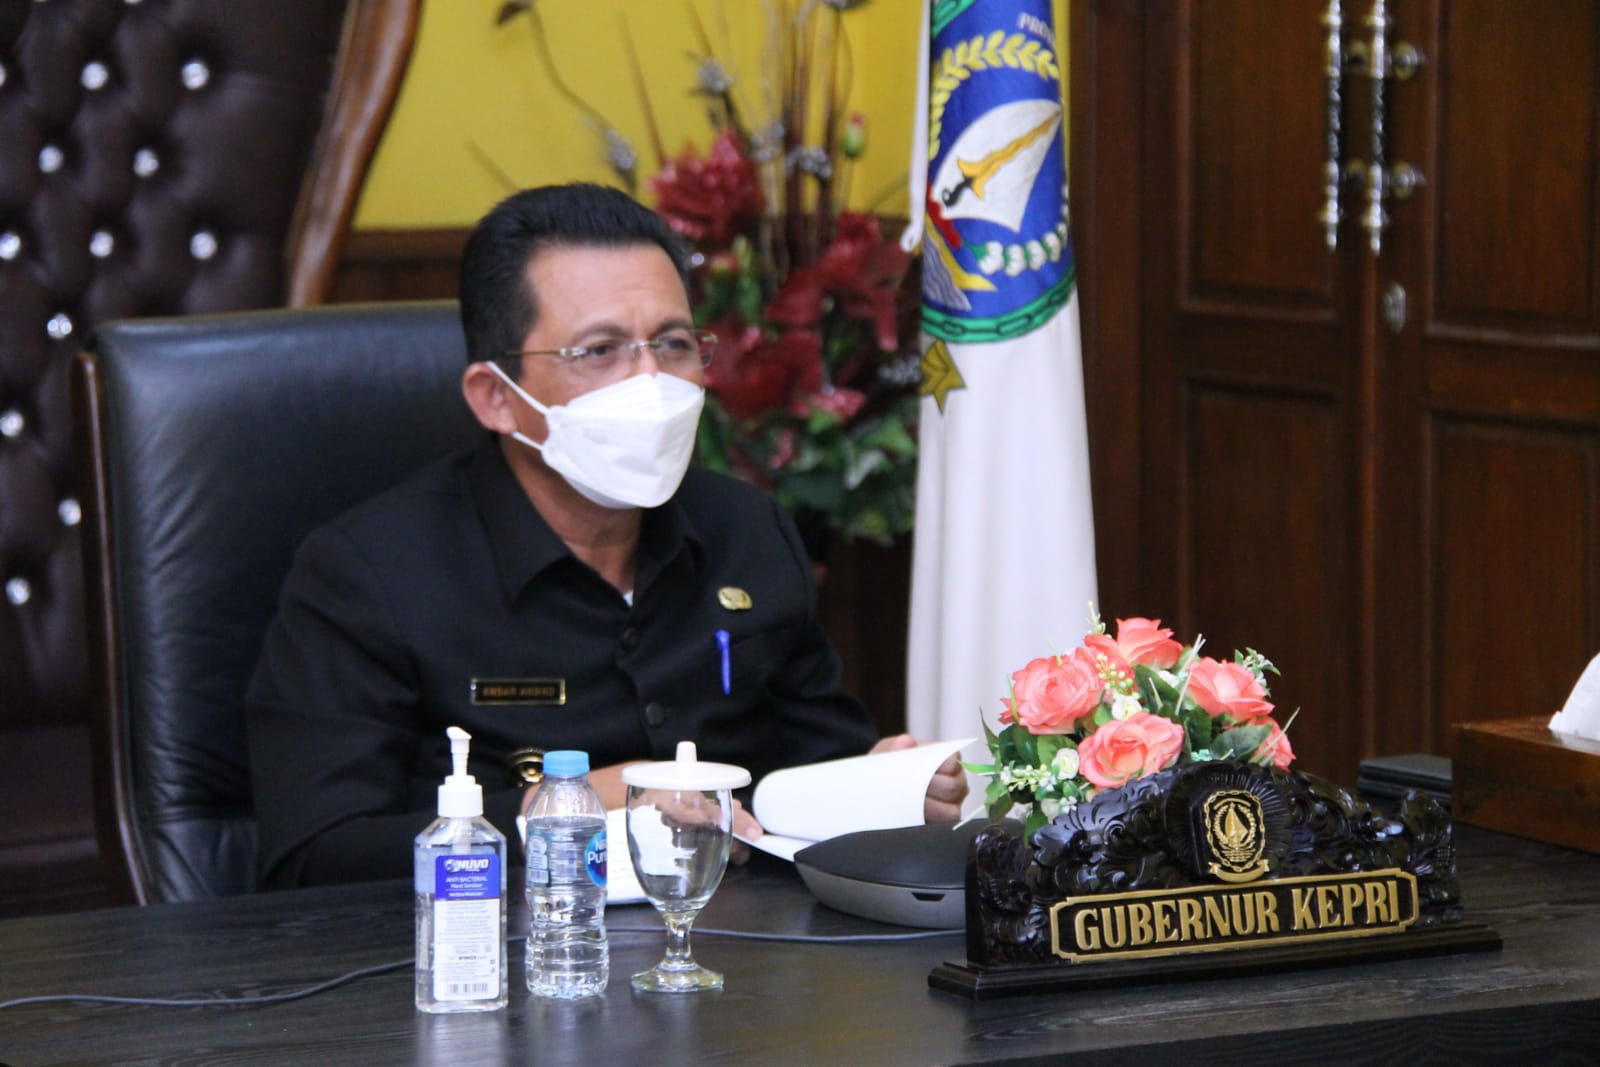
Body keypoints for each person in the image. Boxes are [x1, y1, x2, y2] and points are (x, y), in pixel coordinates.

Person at [246, 183, 966, 888]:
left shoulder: (748, 532)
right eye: (600, 350)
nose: (651, 380)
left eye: (674, 343)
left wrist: (881, 789)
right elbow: (314, 856)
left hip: (741, 944)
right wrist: (570, 806)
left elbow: (817, 773)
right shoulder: (368, 574)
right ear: (496, 397)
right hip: (502, 951)